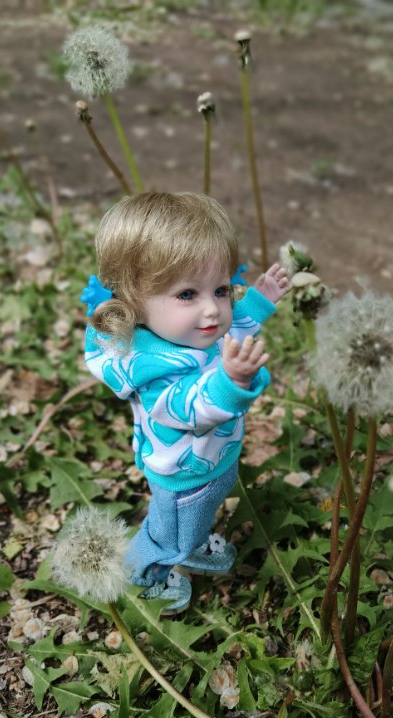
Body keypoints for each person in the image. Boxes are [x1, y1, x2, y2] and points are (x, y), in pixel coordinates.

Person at [81, 192, 290, 613]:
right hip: (181, 478)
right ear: (135, 303)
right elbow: (189, 408)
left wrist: (260, 299)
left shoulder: (194, 331)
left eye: (222, 288)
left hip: (214, 461)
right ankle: (148, 574)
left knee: (205, 510)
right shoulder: (152, 371)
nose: (213, 309)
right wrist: (230, 383)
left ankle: (192, 545)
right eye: (186, 295)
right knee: (169, 534)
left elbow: (233, 323)